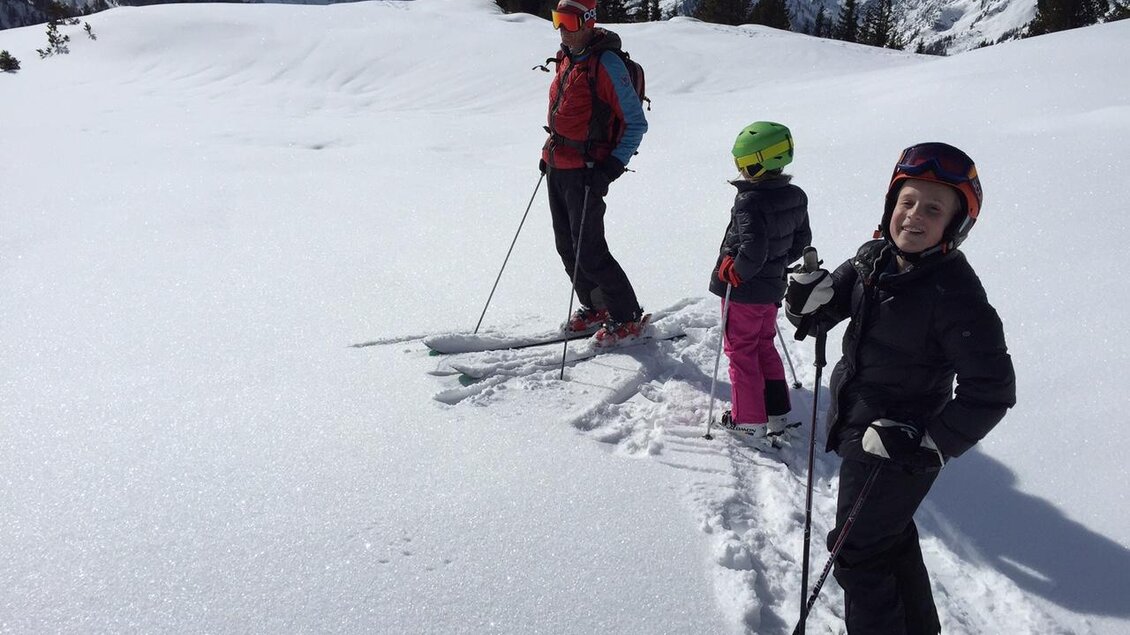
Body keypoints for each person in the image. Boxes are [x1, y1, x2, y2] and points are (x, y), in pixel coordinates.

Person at [785, 142, 1016, 634]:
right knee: (886, 541)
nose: (914, 216)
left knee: (857, 555)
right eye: (907, 202)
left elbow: (992, 389)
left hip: (898, 449)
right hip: (860, 426)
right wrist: (804, 301)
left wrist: (927, 443)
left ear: (956, 226)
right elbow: (824, 313)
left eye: (933, 209)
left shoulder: (956, 296)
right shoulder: (873, 259)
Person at [541, 0, 648, 347]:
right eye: (557, 19)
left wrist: (611, 167)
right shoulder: (568, 57)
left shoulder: (607, 63)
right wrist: (549, 154)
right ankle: (597, 305)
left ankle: (627, 316)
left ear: (588, 21)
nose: (561, 28)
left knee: (590, 249)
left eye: (569, 20)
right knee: (566, 246)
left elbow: (635, 123)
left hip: (588, 171)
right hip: (560, 164)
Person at [709, 121, 811, 441]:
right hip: (771, 288)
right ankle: (776, 412)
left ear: (756, 161)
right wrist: (775, 265)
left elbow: (753, 248)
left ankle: (748, 420)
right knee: (763, 345)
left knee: (741, 351)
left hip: (743, 291)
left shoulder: (750, 200)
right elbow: (800, 241)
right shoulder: (795, 195)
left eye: (741, 162)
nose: (739, 169)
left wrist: (735, 271)